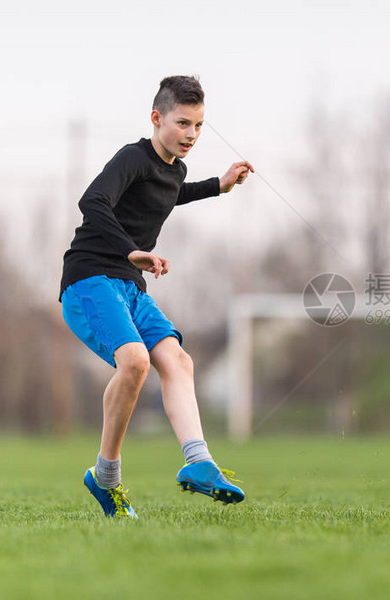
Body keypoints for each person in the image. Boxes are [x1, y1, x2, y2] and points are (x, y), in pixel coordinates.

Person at [59, 75, 254, 518]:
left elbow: (169, 193)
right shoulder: (133, 157)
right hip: (90, 279)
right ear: (156, 118)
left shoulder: (174, 169)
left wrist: (217, 185)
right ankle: (105, 477)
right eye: (183, 123)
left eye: (199, 125)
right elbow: (93, 201)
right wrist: (130, 249)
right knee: (135, 362)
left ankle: (199, 462)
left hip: (129, 286)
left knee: (177, 360)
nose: (191, 134)